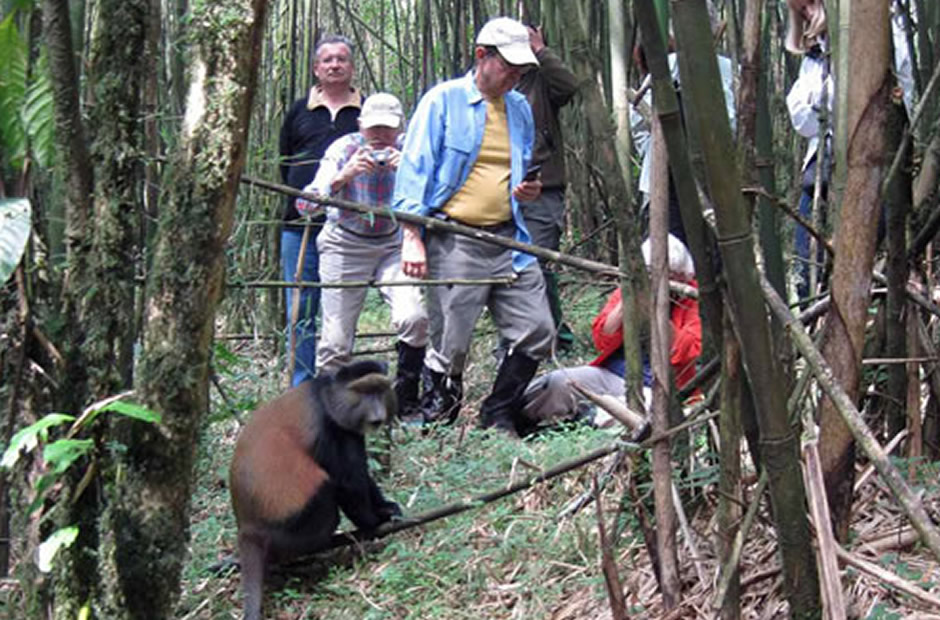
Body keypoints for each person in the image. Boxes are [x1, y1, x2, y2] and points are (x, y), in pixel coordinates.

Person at [392, 16, 555, 436]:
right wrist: (412, 236)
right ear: (482, 56)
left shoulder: (519, 107)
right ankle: (440, 420)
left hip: (510, 237)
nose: (515, 77)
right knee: (452, 343)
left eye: (521, 70)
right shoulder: (442, 101)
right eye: (508, 67)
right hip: (456, 237)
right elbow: (414, 171)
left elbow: (515, 168)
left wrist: (527, 190)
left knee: (537, 329)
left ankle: (498, 411)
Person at [298, 93, 429, 416]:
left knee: (414, 318)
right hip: (345, 244)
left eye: (388, 130)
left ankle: (406, 400)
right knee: (335, 341)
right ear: (360, 126)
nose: (380, 138)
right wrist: (344, 176)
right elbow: (306, 205)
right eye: (373, 130)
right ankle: (328, 412)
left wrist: (412, 171)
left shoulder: (414, 149)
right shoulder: (343, 149)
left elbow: (439, 203)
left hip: (394, 244)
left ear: (401, 127)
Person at [521, 234, 702, 428]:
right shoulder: (631, 287)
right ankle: (541, 421)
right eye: (650, 273)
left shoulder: (692, 296)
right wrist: (628, 300)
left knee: (649, 411)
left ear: (683, 275)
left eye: (670, 275)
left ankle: (589, 418)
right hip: (614, 373)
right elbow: (602, 338)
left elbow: (685, 351)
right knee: (558, 382)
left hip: (659, 387)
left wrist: (656, 309)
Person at [279, 34, 362, 386]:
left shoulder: (367, 111)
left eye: (341, 59)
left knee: (339, 310)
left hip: (349, 227)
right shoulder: (299, 110)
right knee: (301, 306)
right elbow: (285, 163)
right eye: (327, 60)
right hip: (299, 223)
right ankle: (302, 387)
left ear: (352, 67)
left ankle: (336, 384)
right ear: (316, 68)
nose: (334, 65)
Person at [514, 24, 579, 352]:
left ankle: (551, 336)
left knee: (537, 262)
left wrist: (540, 49)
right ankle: (518, 338)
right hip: (500, 189)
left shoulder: (541, 78)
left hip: (543, 186)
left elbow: (569, 87)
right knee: (507, 265)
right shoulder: (489, 80)